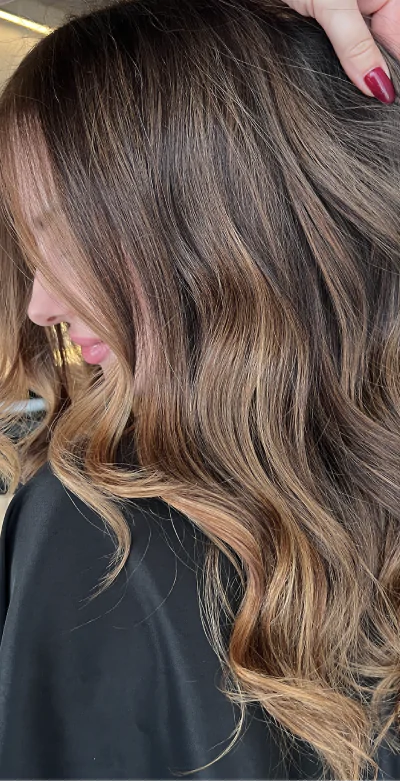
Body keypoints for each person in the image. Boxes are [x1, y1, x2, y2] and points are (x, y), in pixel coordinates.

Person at [0, 0, 399, 778]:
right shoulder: (94, 527)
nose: (39, 306)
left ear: (222, 227)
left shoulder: (96, 530)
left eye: (64, 238)